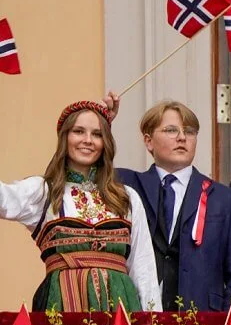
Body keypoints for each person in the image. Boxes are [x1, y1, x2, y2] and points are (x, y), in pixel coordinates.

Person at [0, 101, 161, 311]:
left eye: (97, 134)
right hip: (61, 307)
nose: (87, 140)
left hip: (122, 309)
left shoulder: (126, 197)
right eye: (78, 131)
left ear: (106, 142)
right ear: (65, 137)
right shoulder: (44, 191)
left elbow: (143, 267)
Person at [117, 99, 231, 311]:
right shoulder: (127, 186)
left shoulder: (226, 199)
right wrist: (102, 121)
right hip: (138, 317)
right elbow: (84, 164)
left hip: (203, 324)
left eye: (189, 132)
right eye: (171, 130)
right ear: (148, 141)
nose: (182, 137)